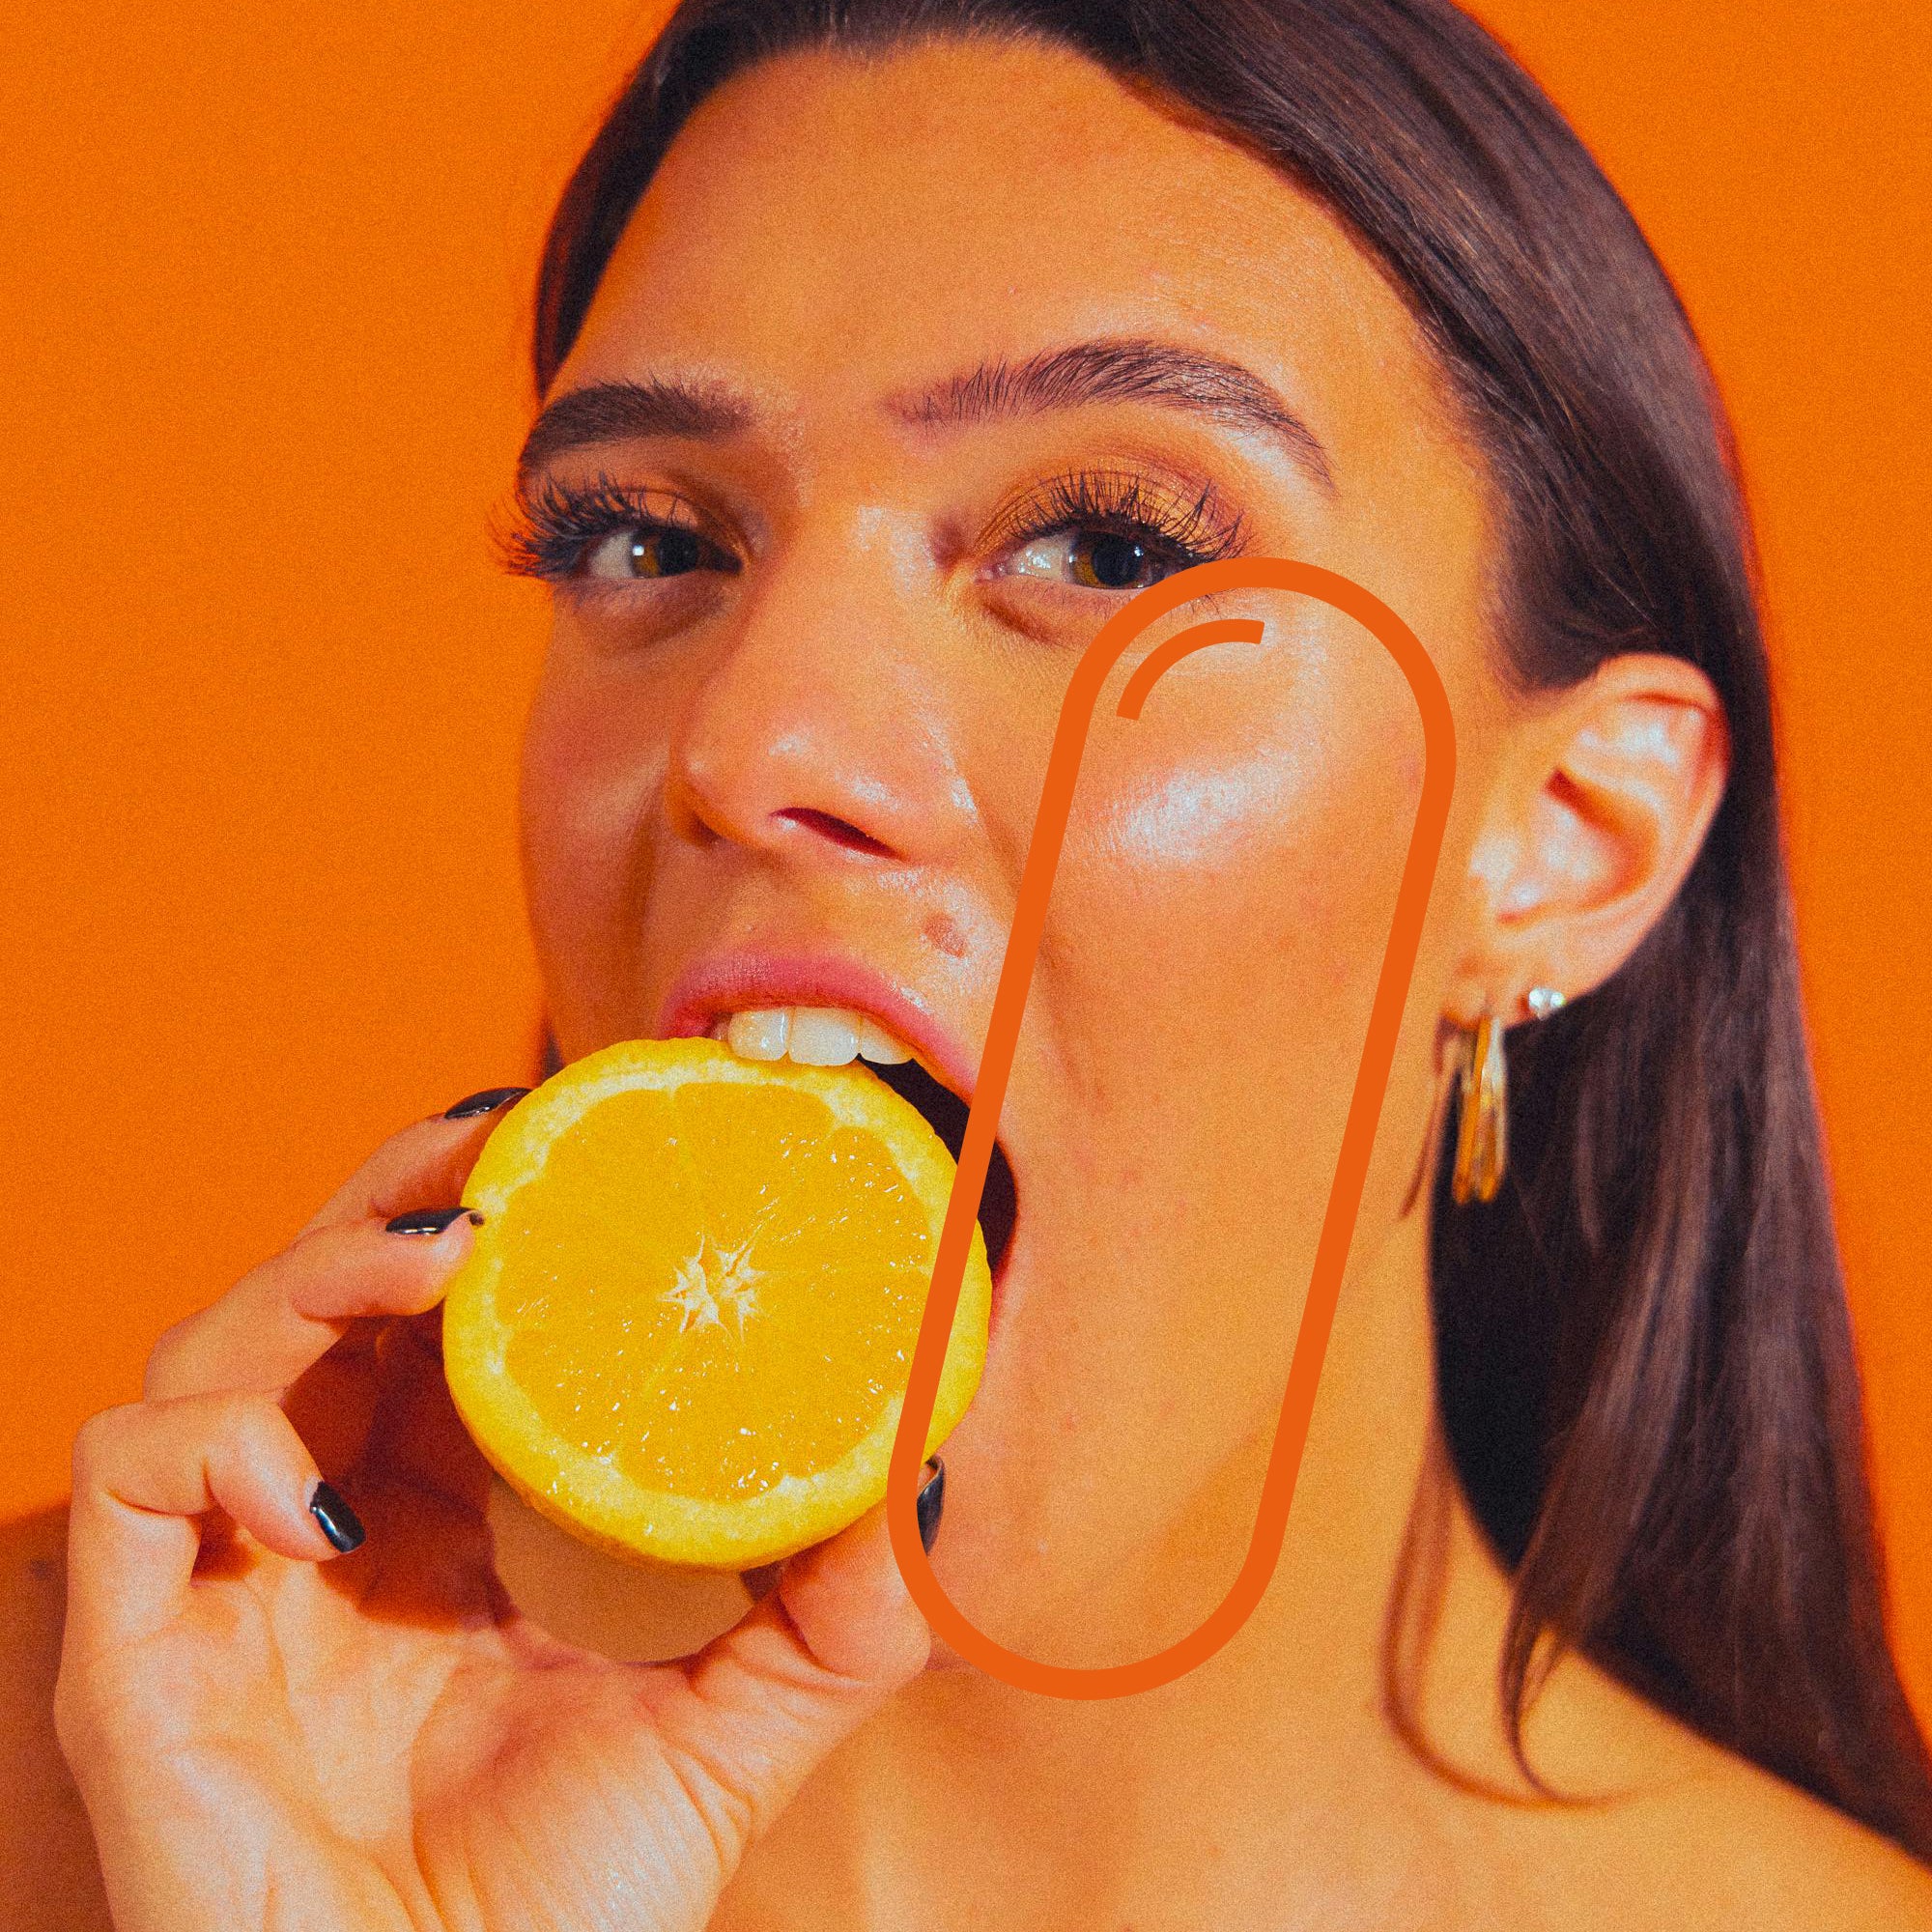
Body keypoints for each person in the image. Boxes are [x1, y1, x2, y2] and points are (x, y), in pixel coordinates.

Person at [12, 0, 1932, 1922]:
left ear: (1567, 838)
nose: (750, 749)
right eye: (646, 538)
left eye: (1105, 547)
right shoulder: (107, 1778)